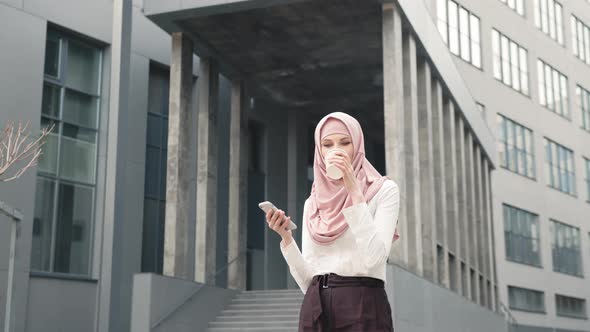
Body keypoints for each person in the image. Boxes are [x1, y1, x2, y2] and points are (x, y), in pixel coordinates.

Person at [265, 111, 401, 331]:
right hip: (316, 305)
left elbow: (375, 260)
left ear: (357, 145)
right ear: (319, 151)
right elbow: (308, 280)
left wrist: (355, 192)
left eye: (345, 142)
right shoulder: (313, 201)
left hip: (363, 302)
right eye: (327, 144)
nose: (335, 150)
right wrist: (286, 238)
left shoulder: (384, 190)